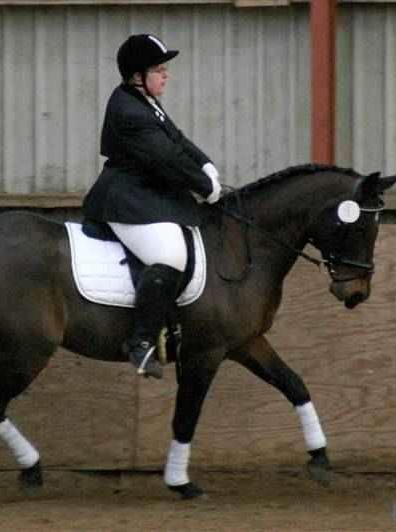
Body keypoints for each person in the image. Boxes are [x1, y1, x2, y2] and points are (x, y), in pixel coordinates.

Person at [82, 34, 222, 379]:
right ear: (136, 75)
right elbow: (167, 158)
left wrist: (206, 166)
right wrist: (205, 188)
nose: (166, 75)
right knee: (171, 254)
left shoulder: (146, 101)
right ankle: (140, 341)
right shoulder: (129, 110)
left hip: (147, 192)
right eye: (159, 70)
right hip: (125, 197)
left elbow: (178, 140)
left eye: (164, 69)